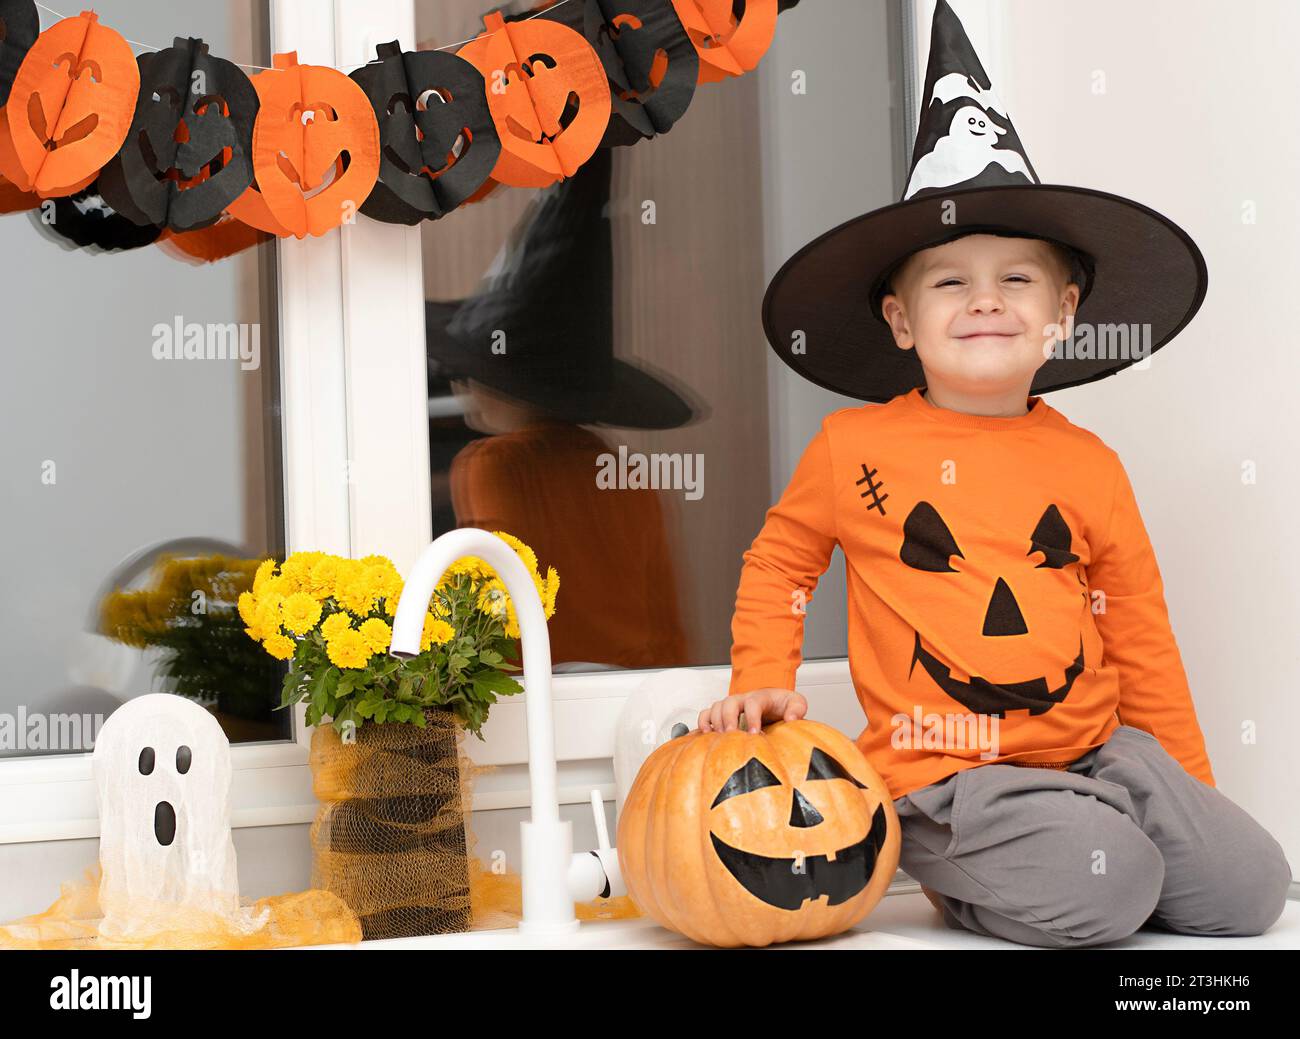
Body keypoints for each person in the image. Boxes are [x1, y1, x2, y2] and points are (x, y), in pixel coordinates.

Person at [700, 0, 1291, 947]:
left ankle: (1109, 833)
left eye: (1017, 279)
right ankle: (972, 871)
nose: (985, 300)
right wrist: (761, 675)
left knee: (1250, 889)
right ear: (901, 321)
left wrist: (1188, 790)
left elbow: (1138, 629)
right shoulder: (854, 450)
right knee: (1111, 891)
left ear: (1062, 313)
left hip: (1103, 753)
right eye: (950, 282)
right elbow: (779, 565)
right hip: (948, 767)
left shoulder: (1088, 464)